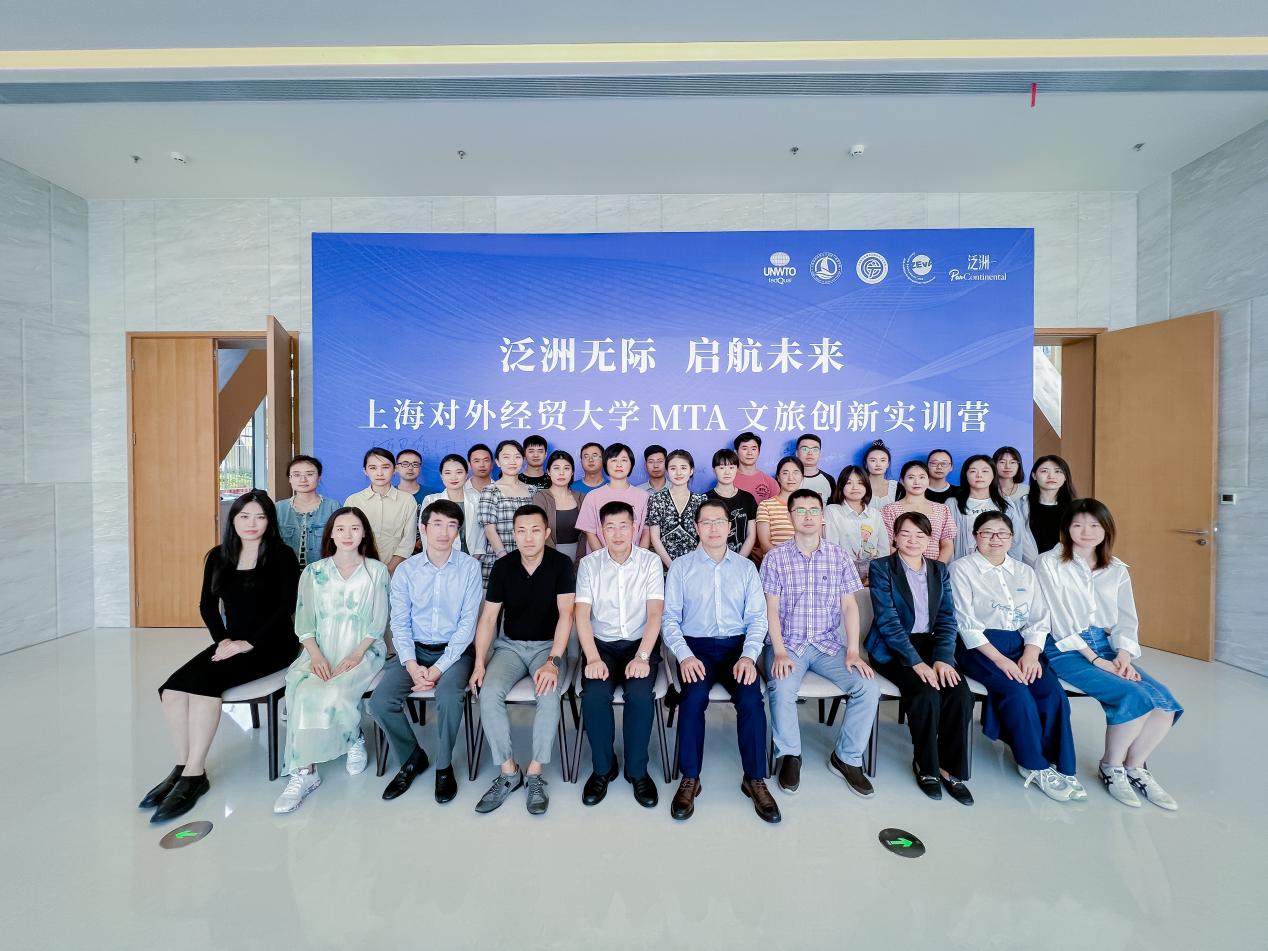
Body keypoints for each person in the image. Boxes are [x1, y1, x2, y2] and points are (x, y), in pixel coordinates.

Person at [141, 491, 301, 823]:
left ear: (269, 522)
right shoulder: (218, 556)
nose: (252, 523)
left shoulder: (281, 555)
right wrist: (224, 640)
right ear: (233, 520)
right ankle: (182, 765)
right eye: (244, 516)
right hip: (231, 642)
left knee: (204, 689)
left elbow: (287, 607)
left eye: (260, 517)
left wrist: (248, 644)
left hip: (272, 644)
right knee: (171, 691)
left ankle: (195, 775)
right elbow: (207, 605)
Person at [1037, 499, 1183, 810]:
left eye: (1094, 525)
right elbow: (1058, 620)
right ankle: (1111, 766)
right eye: (1078, 525)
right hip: (1064, 646)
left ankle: (1136, 767)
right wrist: (1096, 660)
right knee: (1133, 695)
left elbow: (1126, 619)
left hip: (1105, 645)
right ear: (1066, 528)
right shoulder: (1049, 562)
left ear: (1106, 529)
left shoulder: (1116, 569)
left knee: (1165, 704)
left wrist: (1124, 655)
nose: (1086, 532)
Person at [662, 500, 780, 823]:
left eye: (719, 522)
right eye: (706, 522)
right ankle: (690, 777)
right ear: (696, 528)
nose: (713, 528)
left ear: (730, 527)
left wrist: (749, 656)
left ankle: (754, 778)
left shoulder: (746, 568)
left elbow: (757, 619)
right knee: (692, 699)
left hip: (736, 650)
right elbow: (669, 620)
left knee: (751, 700)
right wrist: (684, 656)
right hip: (695, 649)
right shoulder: (681, 568)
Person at [949, 511, 1079, 803]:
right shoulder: (961, 569)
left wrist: (1031, 653)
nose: (994, 539)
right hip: (979, 647)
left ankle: (1061, 764)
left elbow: (1039, 618)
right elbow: (966, 624)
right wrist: (1000, 660)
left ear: (1011, 538)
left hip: (1021, 644)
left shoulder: (1025, 571)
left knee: (1051, 692)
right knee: (1016, 690)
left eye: (1002, 534)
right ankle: (1033, 763)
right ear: (975, 537)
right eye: (987, 533)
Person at [763, 489, 879, 797]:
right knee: (782, 687)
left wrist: (853, 651)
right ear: (790, 516)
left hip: (828, 645)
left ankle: (847, 757)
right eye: (800, 510)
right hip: (788, 645)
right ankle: (790, 754)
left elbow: (849, 606)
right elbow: (770, 609)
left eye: (814, 510)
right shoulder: (775, 558)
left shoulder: (838, 556)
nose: (808, 516)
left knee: (868, 687)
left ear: (823, 516)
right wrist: (778, 652)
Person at [273, 507, 389, 813]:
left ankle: (353, 737)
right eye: (341, 529)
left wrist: (357, 653)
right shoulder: (314, 572)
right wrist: (315, 655)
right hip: (320, 649)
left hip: (364, 649)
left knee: (337, 689)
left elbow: (378, 622)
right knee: (303, 693)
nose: (348, 535)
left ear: (364, 534)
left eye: (355, 528)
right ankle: (304, 772)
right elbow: (304, 623)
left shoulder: (376, 571)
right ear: (331, 534)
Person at [370, 500, 482, 804]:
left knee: (449, 696)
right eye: (437, 524)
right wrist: (411, 664)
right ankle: (412, 758)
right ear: (423, 528)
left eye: (452, 525)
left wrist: (438, 668)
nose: (444, 532)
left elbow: (467, 625)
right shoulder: (406, 570)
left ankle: (444, 766)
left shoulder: (469, 568)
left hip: (456, 654)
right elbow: (399, 623)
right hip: (413, 652)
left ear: (458, 532)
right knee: (380, 702)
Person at [471, 505, 576, 815]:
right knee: (489, 692)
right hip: (510, 647)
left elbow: (566, 615)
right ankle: (508, 771)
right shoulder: (503, 567)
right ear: (514, 534)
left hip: (547, 647)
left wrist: (554, 661)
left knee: (548, 693)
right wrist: (479, 662)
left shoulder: (561, 564)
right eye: (521, 531)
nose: (528, 538)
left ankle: (535, 773)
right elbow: (488, 618)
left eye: (535, 531)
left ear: (546, 533)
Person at [866, 512, 974, 804]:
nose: (912, 540)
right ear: (895, 537)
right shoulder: (882, 567)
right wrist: (916, 662)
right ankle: (926, 766)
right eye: (906, 534)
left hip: (933, 645)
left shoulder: (939, 570)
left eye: (920, 535)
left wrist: (943, 658)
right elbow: (888, 622)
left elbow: (948, 618)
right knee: (925, 693)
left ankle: (950, 768)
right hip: (892, 647)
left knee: (960, 694)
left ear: (929, 540)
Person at [574, 501, 665, 808]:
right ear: (601, 530)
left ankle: (637, 771)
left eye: (623, 526)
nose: (617, 533)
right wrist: (592, 657)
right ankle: (603, 768)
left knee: (639, 696)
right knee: (594, 695)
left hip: (640, 645)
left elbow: (655, 614)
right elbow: (581, 615)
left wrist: (643, 656)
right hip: (601, 646)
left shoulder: (650, 562)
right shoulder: (590, 564)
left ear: (634, 527)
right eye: (609, 527)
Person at [343, 447, 417, 574]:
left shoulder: (407, 500)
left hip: (396, 572)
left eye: (385, 467)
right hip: (359, 570)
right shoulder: (353, 500)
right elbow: (347, 538)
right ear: (365, 471)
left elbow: (408, 542)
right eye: (373, 468)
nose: (379, 473)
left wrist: (387, 571)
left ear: (395, 469)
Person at [477, 440, 536, 586]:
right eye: (506, 457)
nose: (512, 461)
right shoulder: (490, 490)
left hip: (529, 562)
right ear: (497, 461)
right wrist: (505, 559)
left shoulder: (532, 490)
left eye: (517, 457)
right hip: (498, 560)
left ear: (523, 460)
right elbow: (489, 530)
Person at [576, 443, 650, 555]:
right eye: (614, 460)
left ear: (631, 464)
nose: (619, 465)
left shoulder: (643, 496)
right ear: (605, 464)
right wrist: (605, 560)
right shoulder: (592, 496)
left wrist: (639, 559)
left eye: (624, 460)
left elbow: (646, 531)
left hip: (635, 561)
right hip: (600, 561)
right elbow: (590, 533)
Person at [880, 461, 957, 563]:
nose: (917, 482)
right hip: (900, 568)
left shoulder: (942, 510)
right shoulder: (889, 510)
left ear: (928, 480)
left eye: (922, 477)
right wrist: (907, 567)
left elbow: (947, 545)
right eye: (911, 477)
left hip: (934, 568)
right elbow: (887, 544)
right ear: (902, 481)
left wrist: (936, 568)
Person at [824, 464, 889, 583]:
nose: (855, 487)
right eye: (849, 483)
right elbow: (831, 548)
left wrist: (876, 577)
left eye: (860, 483)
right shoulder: (832, 511)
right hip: (842, 574)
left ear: (866, 486)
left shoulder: (875, 514)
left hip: (873, 575)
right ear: (841, 486)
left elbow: (883, 550)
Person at [948, 454, 1020, 561]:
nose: (979, 475)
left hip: (999, 563)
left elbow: (1016, 538)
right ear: (965, 475)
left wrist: (1014, 564)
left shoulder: (1005, 503)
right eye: (973, 471)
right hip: (965, 563)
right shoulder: (953, 503)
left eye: (985, 471)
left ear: (993, 475)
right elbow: (947, 540)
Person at [274, 454, 338, 568]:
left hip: (323, 573)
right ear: (290, 479)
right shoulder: (278, 508)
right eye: (296, 475)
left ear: (319, 477)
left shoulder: (333, 507)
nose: (303, 479)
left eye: (309, 474)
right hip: (285, 573)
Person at [647, 449, 707, 568]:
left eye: (683, 468)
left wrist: (691, 565)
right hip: (664, 567)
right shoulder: (657, 499)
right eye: (673, 468)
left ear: (691, 471)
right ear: (667, 472)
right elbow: (654, 537)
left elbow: (704, 537)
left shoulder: (701, 500)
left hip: (694, 566)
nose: (678, 473)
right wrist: (672, 567)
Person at [418, 453, 483, 556]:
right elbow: (425, 535)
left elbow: (482, 532)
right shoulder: (431, 500)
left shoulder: (477, 499)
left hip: (473, 559)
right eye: (448, 473)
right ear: (441, 476)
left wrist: (475, 559)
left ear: (466, 475)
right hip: (440, 559)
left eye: (459, 472)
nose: (453, 477)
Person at [1018, 455, 1077, 561]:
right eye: (1044, 471)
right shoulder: (1020, 506)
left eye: (1058, 471)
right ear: (1034, 475)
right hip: (1029, 566)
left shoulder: (1075, 509)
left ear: (1065, 477)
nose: (1051, 476)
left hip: (1065, 565)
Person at [534, 449, 585, 562]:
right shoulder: (540, 497)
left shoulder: (581, 498)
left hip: (580, 557)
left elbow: (587, 533)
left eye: (566, 468)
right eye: (556, 468)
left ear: (572, 472)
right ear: (548, 471)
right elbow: (538, 529)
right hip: (548, 557)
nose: (561, 473)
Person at [706, 448, 758, 557]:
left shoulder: (747, 498)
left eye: (731, 467)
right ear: (714, 470)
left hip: (742, 560)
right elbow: (704, 535)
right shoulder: (705, 499)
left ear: (737, 469)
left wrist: (739, 561)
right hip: (713, 559)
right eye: (721, 468)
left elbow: (751, 534)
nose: (727, 472)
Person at [754, 455, 805, 561]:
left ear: (802, 477)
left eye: (796, 472)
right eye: (785, 473)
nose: (791, 478)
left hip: (805, 564)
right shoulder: (766, 506)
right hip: (776, 564)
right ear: (778, 477)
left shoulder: (811, 506)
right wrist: (789, 560)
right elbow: (765, 544)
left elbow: (818, 539)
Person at [732, 431, 779, 503]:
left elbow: (777, 507)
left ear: (759, 452)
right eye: (744, 449)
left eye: (753, 449)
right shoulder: (728, 479)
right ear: (736, 453)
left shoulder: (770, 482)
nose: (749, 453)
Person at [795, 433, 836, 500]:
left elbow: (833, 505)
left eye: (815, 449)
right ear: (797, 453)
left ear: (820, 454)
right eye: (805, 449)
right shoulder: (789, 479)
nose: (810, 453)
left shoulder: (829, 480)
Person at [864, 440, 898, 508]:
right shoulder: (859, 486)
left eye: (882, 460)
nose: (878, 464)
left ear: (888, 464)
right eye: (873, 460)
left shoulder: (896, 487)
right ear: (866, 464)